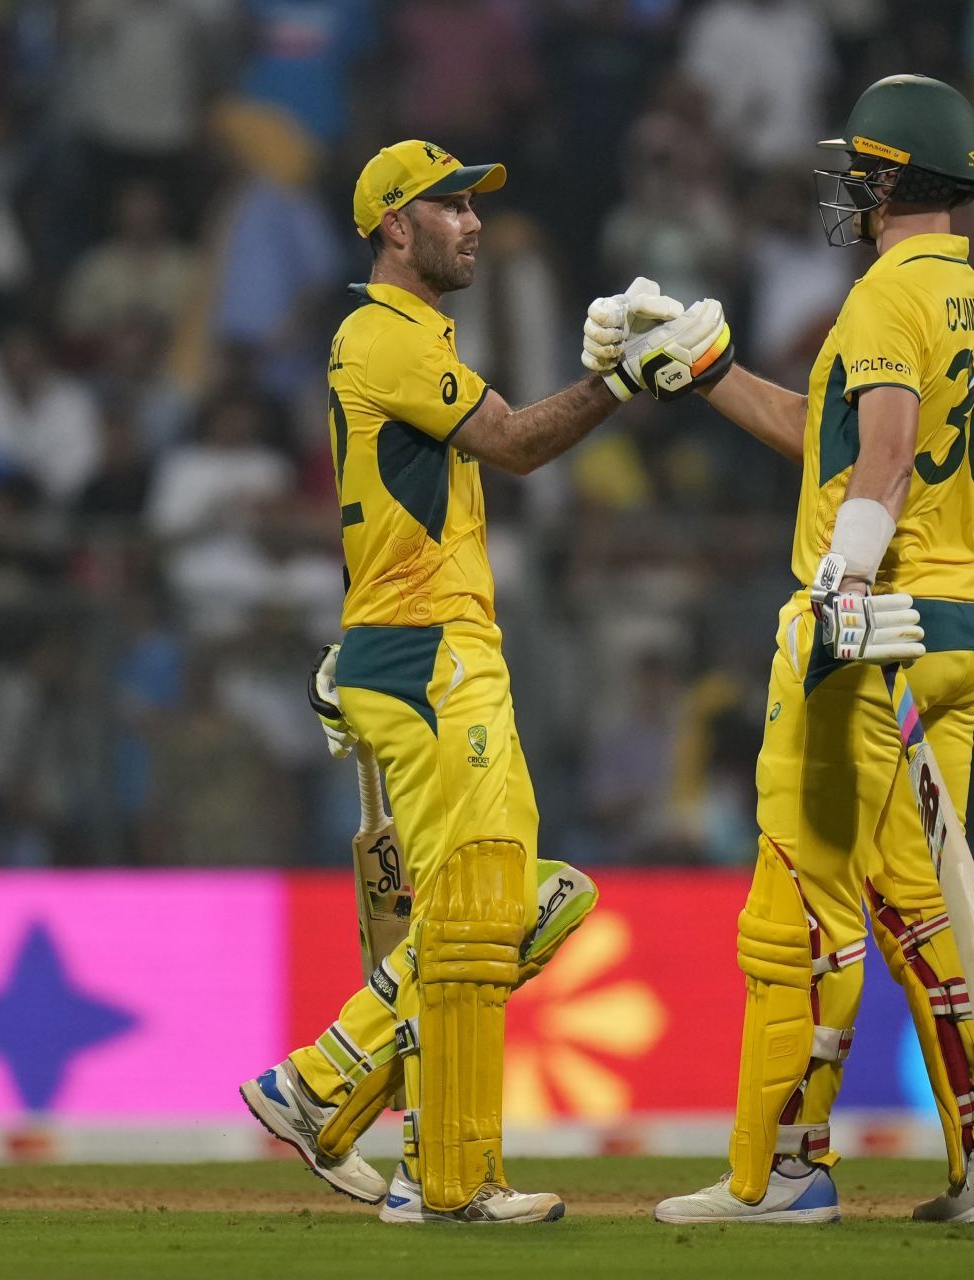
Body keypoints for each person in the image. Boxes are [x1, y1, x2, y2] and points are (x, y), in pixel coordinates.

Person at [238, 139, 717, 1225]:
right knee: (479, 906)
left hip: (424, 643)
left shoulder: (406, 337)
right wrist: (619, 382)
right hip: (426, 651)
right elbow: (511, 442)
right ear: (393, 227)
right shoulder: (382, 332)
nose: (474, 221)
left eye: (474, 203)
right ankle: (446, 1176)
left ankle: (325, 1082)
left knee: (517, 900)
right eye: (450, 206)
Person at [645, 76, 974, 1225]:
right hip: (956, 625)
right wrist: (710, 371)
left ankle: (785, 1168)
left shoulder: (885, 294)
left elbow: (878, 459)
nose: (848, 188)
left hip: (874, 624)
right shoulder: (967, 292)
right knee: (924, 900)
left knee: (796, 896)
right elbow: (832, 438)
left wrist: (842, 579)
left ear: (890, 177)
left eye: (859, 169)